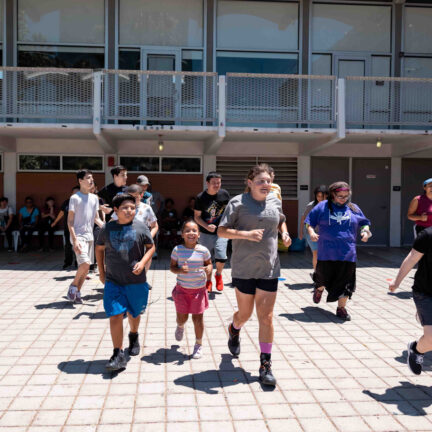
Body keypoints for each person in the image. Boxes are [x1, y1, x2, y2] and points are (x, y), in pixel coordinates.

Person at [218, 164, 291, 386]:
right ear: (249, 182)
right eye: (260, 181)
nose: (265, 185)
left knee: (266, 316)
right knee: (245, 314)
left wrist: (285, 233)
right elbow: (221, 231)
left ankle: (265, 364)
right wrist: (245, 234)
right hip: (243, 267)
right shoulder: (237, 203)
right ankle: (234, 328)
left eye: (268, 181)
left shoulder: (274, 201)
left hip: (269, 267)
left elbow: (280, 219)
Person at [96, 193, 155, 371]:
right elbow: (99, 249)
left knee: (134, 313)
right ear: (116, 210)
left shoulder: (141, 227)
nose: (130, 211)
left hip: (136, 280)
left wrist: (143, 263)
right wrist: (101, 271)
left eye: (132, 207)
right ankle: (118, 353)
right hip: (114, 280)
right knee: (114, 314)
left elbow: (151, 247)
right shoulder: (108, 228)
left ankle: (134, 334)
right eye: (125, 208)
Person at [305, 181, 372, 321]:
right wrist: (311, 232)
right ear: (332, 195)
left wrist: (365, 232)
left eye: (346, 196)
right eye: (340, 196)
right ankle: (319, 288)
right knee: (323, 278)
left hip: (347, 253)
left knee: (347, 282)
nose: (343, 199)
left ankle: (341, 308)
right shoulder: (322, 207)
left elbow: (364, 223)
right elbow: (309, 222)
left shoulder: (353, 208)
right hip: (326, 252)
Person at [389, 226, 432, 375]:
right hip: (426, 292)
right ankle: (416, 350)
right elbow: (412, 258)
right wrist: (396, 282)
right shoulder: (427, 235)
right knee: (431, 338)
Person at [170, 219, 212, 359]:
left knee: (198, 319)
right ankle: (180, 326)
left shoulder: (203, 251)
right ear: (182, 234)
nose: (191, 233)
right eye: (187, 230)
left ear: (199, 234)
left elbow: (209, 264)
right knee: (182, 317)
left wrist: (209, 269)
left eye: (194, 230)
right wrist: (180, 270)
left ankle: (198, 344)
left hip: (198, 291)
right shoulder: (177, 250)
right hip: (182, 290)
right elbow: (172, 267)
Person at [67, 169, 104, 304]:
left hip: (90, 237)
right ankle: (72, 287)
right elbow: (70, 221)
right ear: (80, 181)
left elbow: (96, 218)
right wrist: (75, 240)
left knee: (86, 268)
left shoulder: (94, 198)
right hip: (78, 236)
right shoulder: (75, 198)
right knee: (85, 263)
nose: (91, 180)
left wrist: (106, 228)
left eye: (92, 178)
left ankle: (77, 291)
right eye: (88, 178)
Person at [194, 172, 230, 292]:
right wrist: (207, 226)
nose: (216, 185)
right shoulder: (200, 198)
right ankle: (208, 280)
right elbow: (197, 217)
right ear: (207, 183)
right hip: (205, 232)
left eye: (218, 182)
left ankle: (218, 275)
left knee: (221, 256)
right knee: (206, 259)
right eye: (214, 183)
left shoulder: (224, 194)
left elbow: (227, 212)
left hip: (221, 231)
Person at [111, 184, 158, 276]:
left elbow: (155, 226)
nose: (132, 199)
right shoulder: (122, 207)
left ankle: (143, 278)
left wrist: (148, 237)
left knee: (146, 258)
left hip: (141, 240)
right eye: (130, 196)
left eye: (135, 197)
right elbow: (111, 223)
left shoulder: (146, 208)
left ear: (141, 195)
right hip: (124, 240)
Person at [299, 185, 329, 272]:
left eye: (322, 196)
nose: (320, 198)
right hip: (312, 234)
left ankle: (324, 274)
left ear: (327, 195)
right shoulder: (311, 206)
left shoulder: (331, 206)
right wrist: (300, 232)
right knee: (316, 253)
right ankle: (317, 275)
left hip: (326, 235)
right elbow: (303, 219)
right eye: (318, 196)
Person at [52, 186, 79, 270]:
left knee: (78, 246)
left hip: (78, 229)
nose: (75, 194)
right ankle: (68, 262)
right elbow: (61, 213)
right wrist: (55, 222)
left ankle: (78, 263)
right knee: (68, 246)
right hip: (68, 228)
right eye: (74, 192)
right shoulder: (67, 202)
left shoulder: (82, 202)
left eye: (78, 192)